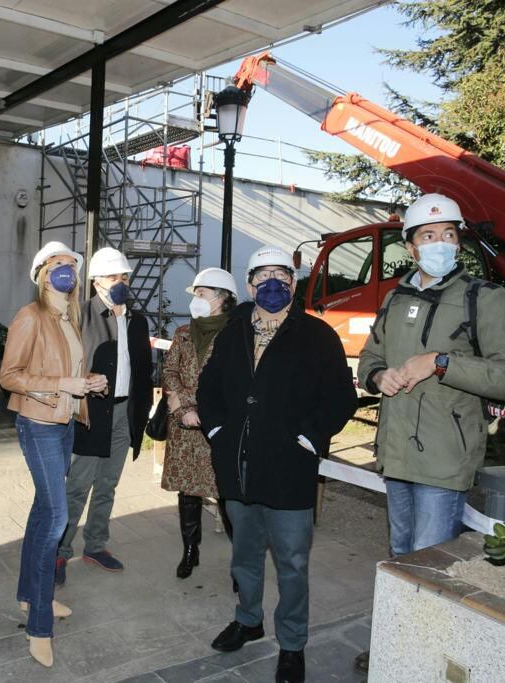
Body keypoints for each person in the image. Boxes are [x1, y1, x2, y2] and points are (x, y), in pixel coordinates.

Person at [197, 245, 356, 683]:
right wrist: (217, 432)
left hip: (290, 469)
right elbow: (208, 390)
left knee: (292, 562)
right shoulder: (231, 334)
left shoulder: (318, 335)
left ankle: (292, 644)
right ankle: (248, 619)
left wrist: (311, 438)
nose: (272, 284)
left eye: (281, 276)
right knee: (245, 556)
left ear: (293, 284)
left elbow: (341, 396)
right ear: (249, 286)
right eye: (262, 276)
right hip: (239, 467)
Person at [358, 193, 505, 556]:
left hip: (445, 460)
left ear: (458, 243)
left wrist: (441, 363)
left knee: (429, 561)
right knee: (400, 556)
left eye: (448, 234)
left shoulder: (486, 298)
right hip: (396, 455)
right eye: (428, 235)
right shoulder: (395, 299)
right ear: (411, 248)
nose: (440, 243)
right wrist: (378, 376)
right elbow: (369, 358)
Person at [0, 241, 107, 667]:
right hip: (39, 424)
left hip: (64, 424)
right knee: (56, 519)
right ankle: (39, 625)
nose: (66, 270)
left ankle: (31, 596)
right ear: (41, 274)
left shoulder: (69, 317)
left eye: (71, 264)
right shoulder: (31, 315)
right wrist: (63, 385)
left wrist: (89, 381)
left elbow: (67, 371)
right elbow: (9, 376)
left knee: (43, 512)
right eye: (57, 264)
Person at [56, 246, 152, 583]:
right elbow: (62, 364)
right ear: (96, 281)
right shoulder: (79, 316)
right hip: (91, 412)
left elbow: (143, 370)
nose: (121, 282)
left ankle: (95, 546)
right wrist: (83, 382)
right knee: (78, 486)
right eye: (113, 277)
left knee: (108, 484)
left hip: (124, 413)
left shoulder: (137, 321)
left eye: (125, 276)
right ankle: (59, 551)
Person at [160, 267, 237, 579]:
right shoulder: (182, 332)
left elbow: (230, 383)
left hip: (218, 428)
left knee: (227, 494)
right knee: (188, 492)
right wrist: (182, 409)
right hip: (185, 428)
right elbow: (169, 371)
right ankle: (190, 551)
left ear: (221, 298)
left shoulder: (236, 335)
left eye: (201, 294)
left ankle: (240, 562)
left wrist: (188, 401)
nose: (196, 299)